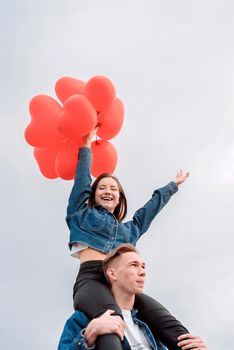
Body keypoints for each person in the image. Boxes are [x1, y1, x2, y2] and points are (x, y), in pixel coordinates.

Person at [66, 128, 190, 350]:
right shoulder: (81, 215)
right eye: (102, 187)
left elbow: (149, 211)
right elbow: (82, 182)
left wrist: (173, 186)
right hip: (92, 280)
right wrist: (85, 149)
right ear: (93, 196)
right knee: (112, 319)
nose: (108, 190)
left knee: (168, 324)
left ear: (119, 198)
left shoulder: (129, 231)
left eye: (113, 189)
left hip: (122, 282)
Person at [58, 244, 208, 350]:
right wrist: (88, 336)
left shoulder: (151, 324)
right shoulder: (83, 319)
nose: (142, 272)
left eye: (143, 266)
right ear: (112, 274)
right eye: (133, 265)